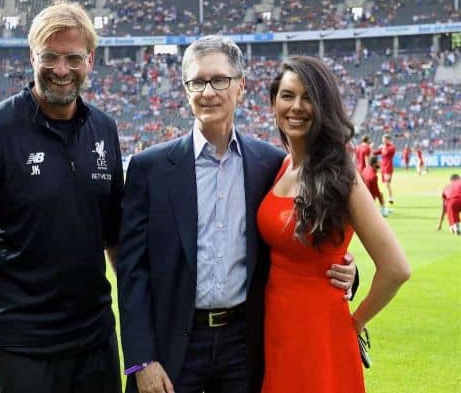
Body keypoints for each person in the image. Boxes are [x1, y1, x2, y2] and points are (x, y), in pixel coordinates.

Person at [117, 36, 357, 393]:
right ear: (185, 90)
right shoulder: (149, 168)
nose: (208, 91)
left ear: (241, 86)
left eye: (219, 80)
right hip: (173, 346)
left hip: (244, 346)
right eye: (197, 82)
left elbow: (299, 239)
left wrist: (347, 272)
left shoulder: (269, 164)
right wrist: (142, 359)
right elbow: (131, 270)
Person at [0, 2, 123, 393]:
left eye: (73, 58)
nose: (61, 70)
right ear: (32, 57)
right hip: (18, 347)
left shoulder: (105, 130)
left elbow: (115, 236)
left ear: (90, 60)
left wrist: (142, 321)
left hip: (95, 344)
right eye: (50, 57)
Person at [258, 56, 411, 393]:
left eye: (308, 97)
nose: (296, 106)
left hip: (320, 333)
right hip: (275, 327)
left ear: (324, 106)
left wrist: (356, 322)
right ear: (273, 103)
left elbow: (396, 268)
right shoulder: (282, 165)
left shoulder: (341, 174)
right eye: (287, 95)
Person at [373, 134, 396, 205]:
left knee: (387, 183)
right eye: (383, 139)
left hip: (388, 168)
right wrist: (371, 148)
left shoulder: (391, 147)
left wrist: (383, 147)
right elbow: (375, 153)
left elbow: (387, 152)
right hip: (383, 168)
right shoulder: (383, 147)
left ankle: (390, 197)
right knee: (385, 184)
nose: (383, 141)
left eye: (384, 139)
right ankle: (387, 197)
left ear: (388, 140)